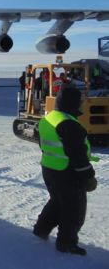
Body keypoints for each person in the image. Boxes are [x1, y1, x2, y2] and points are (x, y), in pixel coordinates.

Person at [33, 87, 98, 256]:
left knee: (57, 201)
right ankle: (66, 244)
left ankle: (41, 229)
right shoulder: (69, 124)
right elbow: (78, 155)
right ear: (72, 103)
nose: (82, 103)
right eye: (80, 100)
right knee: (74, 210)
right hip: (68, 172)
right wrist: (88, 176)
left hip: (49, 168)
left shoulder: (50, 118)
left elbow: (43, 144)